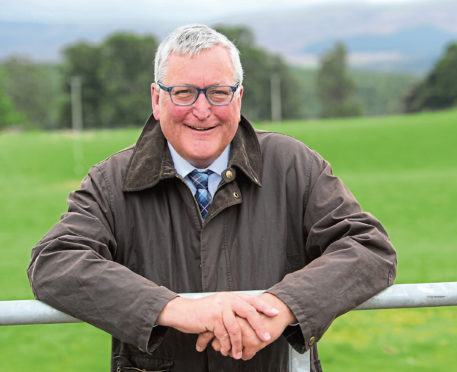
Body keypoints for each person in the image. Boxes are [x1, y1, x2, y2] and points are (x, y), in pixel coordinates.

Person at [27, 24, 397, 372]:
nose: (202, 111)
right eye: (183, 92)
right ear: (157, 99)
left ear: (238, 98)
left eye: (218, 92)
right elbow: (55, 262)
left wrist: (281, 305)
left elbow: (368, 248)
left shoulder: (293, 165)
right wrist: (175, 309)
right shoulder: (111, 181)